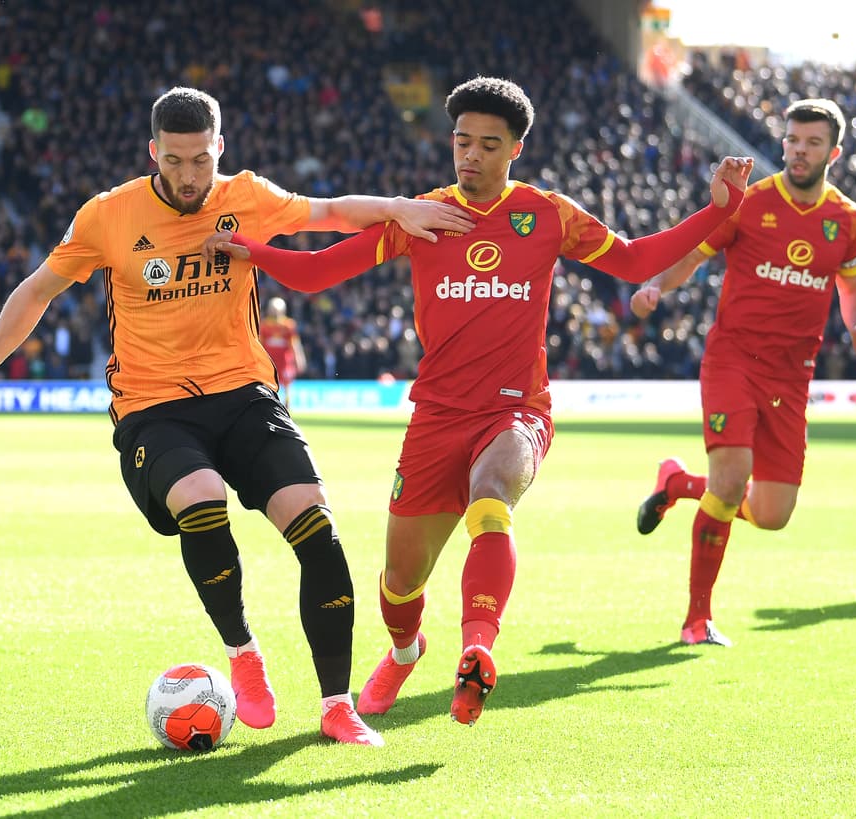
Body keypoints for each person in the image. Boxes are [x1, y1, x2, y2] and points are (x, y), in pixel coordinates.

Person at [0, 87, 475, 746]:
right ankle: (243, 651)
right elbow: (38, 286)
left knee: (317, 527)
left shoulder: (245, 196)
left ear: (220, 148)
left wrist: (396, 208)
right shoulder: (109, 215)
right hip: (153, 407)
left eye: (200, 161)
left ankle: (336, 704)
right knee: (202, 497)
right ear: (154, 151)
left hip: (243, 394)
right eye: (175, 161)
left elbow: (327, 212)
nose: (189, 176)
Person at [204, 76, 753, 725]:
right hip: (436, 416)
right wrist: (251, 253)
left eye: (487, 145)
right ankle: (406, 650)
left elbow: (634, 261)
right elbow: (323, 270)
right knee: (399, 585)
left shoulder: (549, 215)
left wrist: (720, 210)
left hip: (517, 409)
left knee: (492, 495)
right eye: (462, 141)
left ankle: (476, 650)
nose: (469, 155)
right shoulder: (422, 215)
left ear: (515, 149)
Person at [629, 98, 856, 647]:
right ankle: (697, 619)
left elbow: (854, 286)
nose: (798, 150)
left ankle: (676, 484)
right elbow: (693, 254)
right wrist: (655, 286)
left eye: (812, 143)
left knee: (771, 513)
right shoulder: (751, 203)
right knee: (731, 480)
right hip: (734, 361)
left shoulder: (847, 219)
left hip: (793, 377)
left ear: (833, 151)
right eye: (792, 140)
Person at [259, 296, 307, 409]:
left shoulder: (288, 325)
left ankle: (287, 404)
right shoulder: (265, 325)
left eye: (277, 309)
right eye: (273, 309)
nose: (275, 311)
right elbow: (260, 344)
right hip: (270, 360)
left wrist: (299, 358)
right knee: (269, 381)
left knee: (287, 383)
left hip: (285, 360)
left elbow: (294, 343)